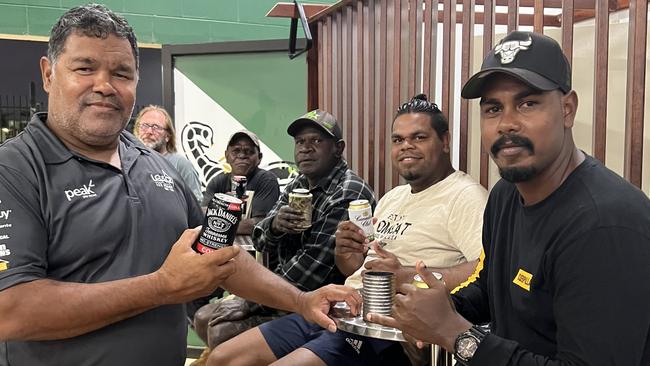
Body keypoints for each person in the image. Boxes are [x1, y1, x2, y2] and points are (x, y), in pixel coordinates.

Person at [0, 5, 361, 366]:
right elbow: (10, 309)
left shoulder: (155, 165)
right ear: (49, 74)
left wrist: (301, 300)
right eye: (85, 68)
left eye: (122, 73)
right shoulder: (15, 170)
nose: (105, 86)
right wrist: (161, 287)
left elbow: (218, 257)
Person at [368, 31, 650, 365]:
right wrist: (440, 309)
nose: (507, 124)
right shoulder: (505, 195)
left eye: (527, 103)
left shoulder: (605, 224)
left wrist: (456, 335)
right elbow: (491, 288)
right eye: (492, 109)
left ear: (567, 109)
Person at [209, 95, 488, 366]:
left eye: (419, 137)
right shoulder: (394, 197)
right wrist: (346, 253)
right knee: (223, 358)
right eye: (398, 140)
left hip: (386, 328)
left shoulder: (464, 196)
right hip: (341, 308)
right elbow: (354, 268)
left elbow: (484, 271)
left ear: (445, 141)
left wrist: (407, 276)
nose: (406, 146)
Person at [201, 130, 280, 235]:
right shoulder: (217, 182)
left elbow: (261, 224)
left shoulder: (266, 180)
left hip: (253, 248)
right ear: (226, 156)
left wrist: (218, 224)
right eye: (236, 151)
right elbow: (202, 215)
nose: (242, 156)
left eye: (249, 151)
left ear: (259, 158)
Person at [134, 105, 203, 203]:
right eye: (144, 126)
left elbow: (196, 204)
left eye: (156, 127)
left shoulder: (181, 165)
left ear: (167, 136)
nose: (149, 131)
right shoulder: (129, 161)